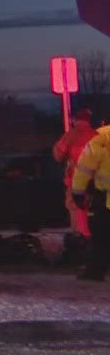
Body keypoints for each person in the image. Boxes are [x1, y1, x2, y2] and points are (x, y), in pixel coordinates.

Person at [69, 123, 110, 282]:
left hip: (105, 200)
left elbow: (84, 169)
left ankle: (95, 271)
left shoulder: (101, 139)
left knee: (101, 236)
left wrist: (78, 194)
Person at [52, 108, 95, 239]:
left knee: (75, 210)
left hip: (75, 181)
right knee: (91, 211)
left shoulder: (70, 136)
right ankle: (92, 238)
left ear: (75, 120)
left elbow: (58, 156)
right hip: (94, 182)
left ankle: (79, 239)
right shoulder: (96, 136)